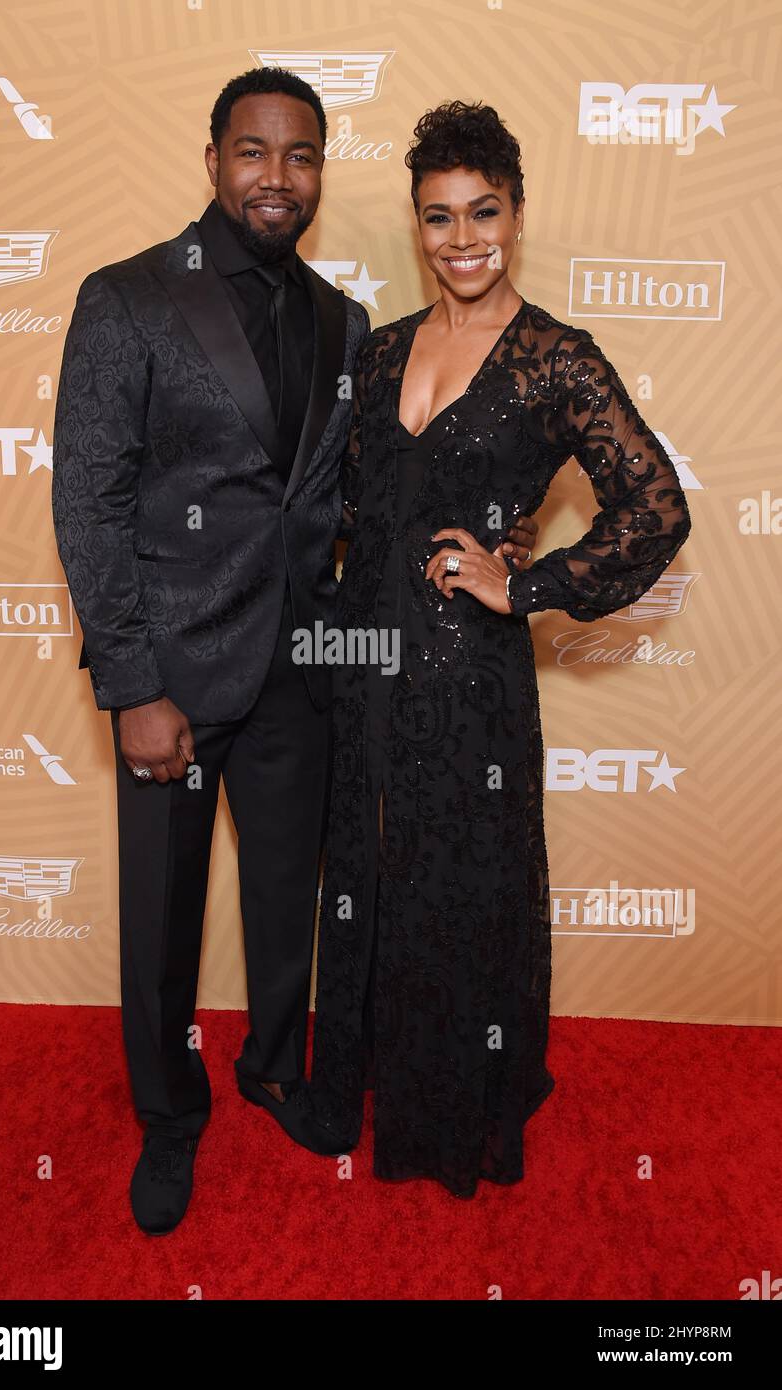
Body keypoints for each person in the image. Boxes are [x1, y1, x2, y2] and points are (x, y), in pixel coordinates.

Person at [51, 70, 539, 1234]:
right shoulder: (126, 299)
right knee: (164, 914)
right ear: (213, 159)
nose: (279, 176)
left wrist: (499, 525)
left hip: (300, 668)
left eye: (302, 155)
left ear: (322, 169)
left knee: (287, 900)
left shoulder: (342, 323)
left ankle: (274, 1063)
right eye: (255, 152)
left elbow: (362, 492)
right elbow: (87, 501)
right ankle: (171, 1111)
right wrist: (133, 684)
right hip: (170, 674)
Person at [308, 99, 693, 1198]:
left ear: (517, 216)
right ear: (416, 223)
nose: (461, 237)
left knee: (463, 887)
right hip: (367, 661)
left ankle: (453, 1110)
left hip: (470, 680)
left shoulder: (555, 361)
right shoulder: (380, 353)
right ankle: (358, 1079)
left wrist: (522, 582)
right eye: (439, 217)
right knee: (369, 876)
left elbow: (654, 507)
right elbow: (348, 504)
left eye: (483, 212)